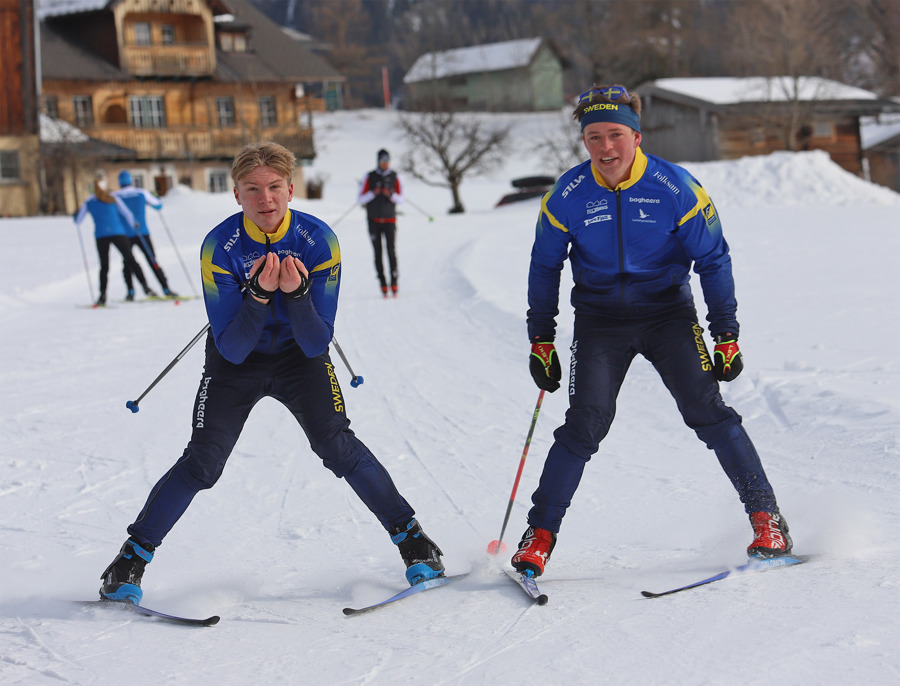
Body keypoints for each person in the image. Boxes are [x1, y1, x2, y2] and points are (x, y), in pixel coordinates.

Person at [98, 142, 444, 604]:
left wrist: (298, 294)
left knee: (336, 444)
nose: (266, 200)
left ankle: (414, 539)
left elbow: (317, 342)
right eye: (253, 189)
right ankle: (130, 558)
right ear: (236, 195)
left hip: (300, 357)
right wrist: (260, 296)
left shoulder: (318, 241)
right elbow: (234, 347)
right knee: (203, 461)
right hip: (234, 360)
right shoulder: (219, 247)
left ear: (290, 189)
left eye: (275, 187)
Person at [511, 84, 793, 579]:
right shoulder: (568, 195)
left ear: (636, 136)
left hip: (668, 315)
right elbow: (544, 265)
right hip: (601, 320)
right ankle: (541, 534)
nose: (605, 148)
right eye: (594, 137)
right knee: (584, 425)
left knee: (709, 413)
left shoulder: (674, 187)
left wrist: (725, 333)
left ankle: (767, 518)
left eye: (615, 134)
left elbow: (713, 259)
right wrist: (541, 336)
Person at [74, 173, 156, 306]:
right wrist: (134, 224)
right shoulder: (112, 198)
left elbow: (78, 221)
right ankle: (146, 288)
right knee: (131, 260)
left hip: (101, 236)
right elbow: (127, 213)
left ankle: (102, 296)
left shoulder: (89, 201)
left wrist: (75, 215)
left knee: (104, 266)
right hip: (118, 233)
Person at [114, 170, 177, 297]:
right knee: (152, 260)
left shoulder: (115, 196)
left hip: (125, 235)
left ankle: (130, 291)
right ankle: (165, 288)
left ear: (120, 183)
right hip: (142, 232)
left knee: (127, 263)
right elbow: (158, 206)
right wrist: (156, 197)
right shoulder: (141, 192)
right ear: (130, 181)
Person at [357, 148, 404, 298]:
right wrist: (373, 193)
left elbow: (401, 199)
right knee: (378, 253)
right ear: (378, 161)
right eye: (382, 161)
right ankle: (383, 284)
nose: (385, 164)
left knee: (391, 250)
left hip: (390, 219)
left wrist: (390, 194)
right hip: (374, 220)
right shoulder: (369, 176)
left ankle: (394, 283)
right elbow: (360, 199)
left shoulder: (395, 177)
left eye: (387, 161)